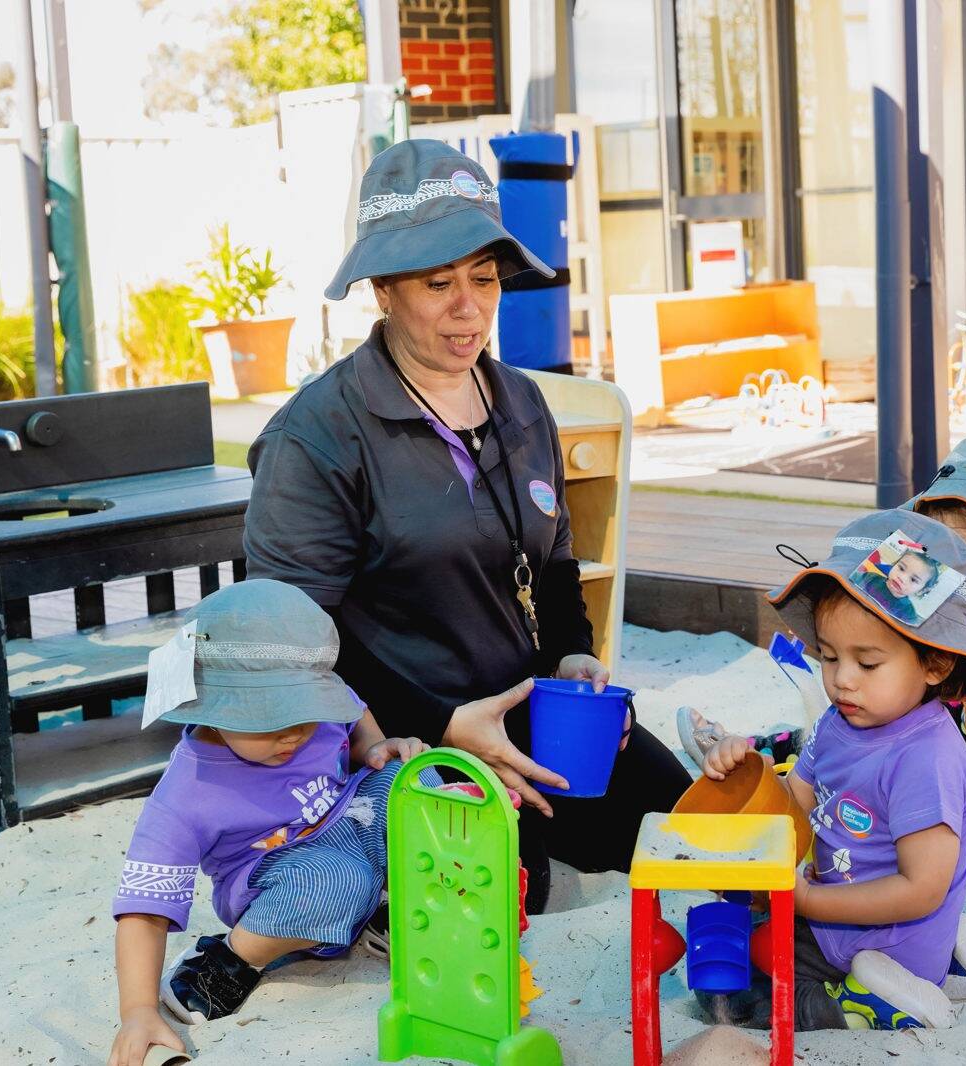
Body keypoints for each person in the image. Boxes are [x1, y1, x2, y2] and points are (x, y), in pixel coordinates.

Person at [242, 139, 690, 914]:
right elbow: (289, 643)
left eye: (484, 278)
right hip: (400, 736)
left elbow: (552, 568)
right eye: (437, 282)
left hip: (529, 714)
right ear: (381, 289)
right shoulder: (314, 437)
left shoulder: (520, 401)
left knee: (689, 821)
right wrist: (442, 724)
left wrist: (576, 659)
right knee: (513, 896)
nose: (470, 306)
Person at [679, 435, 966, 839]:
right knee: (863, 717)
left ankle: (796, 781)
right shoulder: (941, 596)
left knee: (906, 769)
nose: (958, 573)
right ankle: (753, 751)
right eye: (942, 554)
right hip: (958, 741)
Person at [697, 509, 966, 1032]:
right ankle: (944, 951)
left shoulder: (926, 758)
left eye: (868, 663)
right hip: (833, 910)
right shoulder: (838, 723)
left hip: (883, 937)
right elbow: (793, 810)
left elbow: (923, 888)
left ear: (936, 664)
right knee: (726, 939)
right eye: (830, 657)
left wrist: (810, 899)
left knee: (734, 995)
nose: (842, 681)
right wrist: (748, 775)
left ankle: (871, 999)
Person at [107, 580, 429, 1066]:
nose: (297, 732)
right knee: (336, 880)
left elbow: (354, 713)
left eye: (306, 710)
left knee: (416, 775)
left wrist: (376, 747)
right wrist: (137, 1011)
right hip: (277, 878)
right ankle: (232, 959)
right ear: (213, 708)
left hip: (346, 821)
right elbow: (144, 910)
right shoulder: (186, 793)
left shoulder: (314, 714)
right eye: (271, 719)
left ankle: (378, 909)